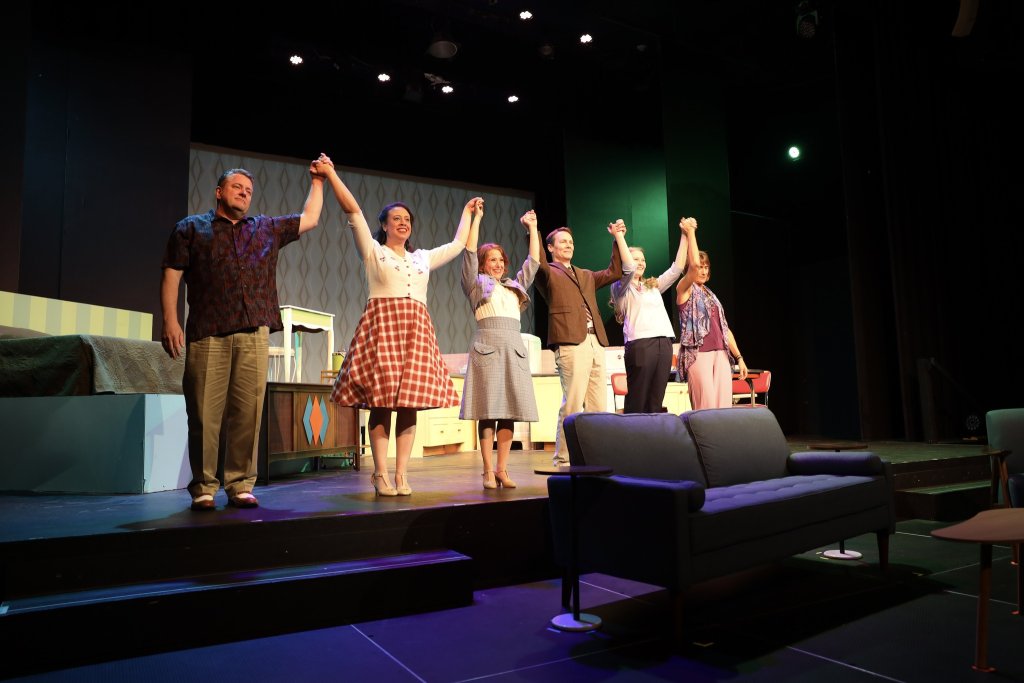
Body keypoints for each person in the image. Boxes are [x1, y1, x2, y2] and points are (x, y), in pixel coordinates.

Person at [161, 161, 327, 511]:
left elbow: (310, 218)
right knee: (204, 414)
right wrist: (170, 320)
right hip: (208, 332)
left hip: (254, 331)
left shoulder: (265, 228)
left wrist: (318, 181)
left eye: (248, 191)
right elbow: (172, 275)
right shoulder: (191, 228)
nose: (244, 193)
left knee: (247, 413)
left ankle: (239, 484)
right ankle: (204, 486)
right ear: (219, 192)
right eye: (237, 187)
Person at [318, 154, 473, 497]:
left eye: (407, 219)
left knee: (409, 403)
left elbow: (459, 244)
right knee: (383, 402)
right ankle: (381, 473)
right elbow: (353, 211)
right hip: (383, 328)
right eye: (396, 219)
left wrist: (469, 213)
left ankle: (402, 474)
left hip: (416, 331)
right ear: (385, 225)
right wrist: (330, 174)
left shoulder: (422, 258)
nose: (403, 223)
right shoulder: (374, 252)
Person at [534, 220, 631, 465]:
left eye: (571, 242)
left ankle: (595, 454)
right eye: (563, 242)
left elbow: (615, 272)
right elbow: (536, 262)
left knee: (598, 405)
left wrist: (617, 238)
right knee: (573, 402)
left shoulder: (585, 274)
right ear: (550, 248)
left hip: (595, 340)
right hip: (570, 341)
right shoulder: (547, 272)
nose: (568, 245)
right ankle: (564, 456)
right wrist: (532, 229)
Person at [460, 206, 542, 489]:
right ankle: (486, 469)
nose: (497, 264)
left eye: (500, 260)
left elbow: (534, 261)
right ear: (483, 264)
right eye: (491, 259)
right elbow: (468, 255)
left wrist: (532, 228)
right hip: (488, 348)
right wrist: (477, 219)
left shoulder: (514, 287)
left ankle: (502, 469)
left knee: (509, 412)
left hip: (513, 350)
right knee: (489, 411)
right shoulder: (475, 285)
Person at [609, 217, 690, 413]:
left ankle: (652, 439)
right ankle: (632, 439)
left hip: (664, 342)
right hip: (641, 344)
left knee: (656, 398)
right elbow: (627, 268)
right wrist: (620, 237)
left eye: (643, 259)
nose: (641, 263)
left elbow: (677, 268)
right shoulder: (621, 286)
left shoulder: (651, 285)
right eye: (636, 259)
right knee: (638, 398)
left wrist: (685, 235)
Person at [674, 217, 748, 409]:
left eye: (707, 267)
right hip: (699, 353)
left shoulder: (712, 296)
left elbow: (724, 329)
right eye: (701, 266)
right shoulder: (685, 289)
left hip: (721, 354)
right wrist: (691, 233)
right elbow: (693, 267)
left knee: (723, 407)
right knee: (705, 406)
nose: (703, 270)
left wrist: (739, 358)